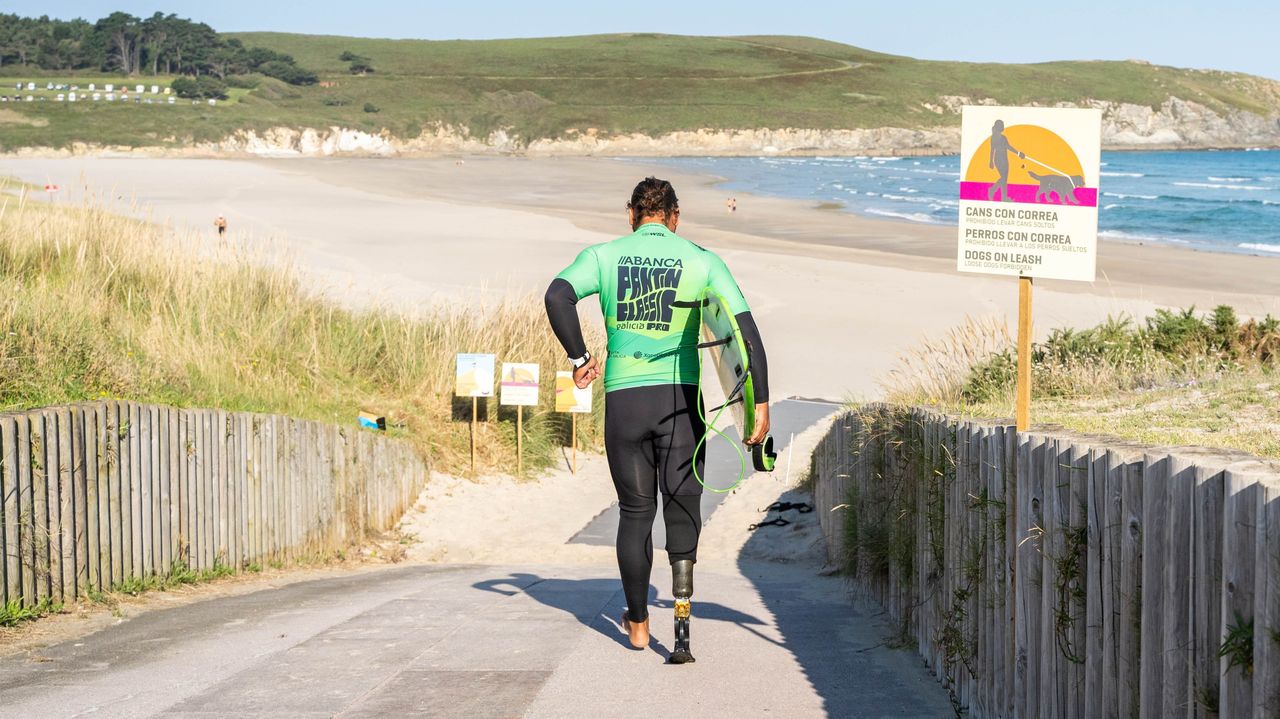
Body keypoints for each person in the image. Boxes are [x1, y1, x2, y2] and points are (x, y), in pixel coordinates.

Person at [544, 176, 770, 663]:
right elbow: (745, 335)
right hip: (680, 405)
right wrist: (761, 405)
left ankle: (639, 624)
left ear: (631, 214)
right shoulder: (703, 260)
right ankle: (683, 624)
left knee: (635, 513)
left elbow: (556, 296)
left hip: (625, 403)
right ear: (674, 216)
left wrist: (580, 357)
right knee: (683, 504)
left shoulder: (603, 257)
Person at [988, 119, 1025, 202]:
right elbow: (1008, 147)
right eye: (1002, 125)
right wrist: (1019, 154)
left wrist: (991, 161)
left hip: (1001, 159)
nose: (1003, 126)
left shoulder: (993, 137)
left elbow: (993, 150)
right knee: (1004, 178)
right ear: (999, 127)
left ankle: (1003, 198)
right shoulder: (1001, 138)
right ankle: (993, 190)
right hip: (1001, 159)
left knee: (1004, 179)